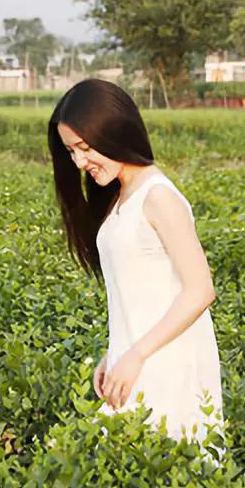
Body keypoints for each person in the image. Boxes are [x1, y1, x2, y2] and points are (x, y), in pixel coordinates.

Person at [47, 78, 225, 460]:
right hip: (137, 360)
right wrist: (114, 354)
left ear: (113, 132)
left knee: (173, 481)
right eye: (70, 151)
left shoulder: (158, 196)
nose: (79, 162)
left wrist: (135, 354)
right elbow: (139, 293)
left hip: (167, 361)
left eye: (84, 147)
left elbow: (200, 290)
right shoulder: (119, 196)